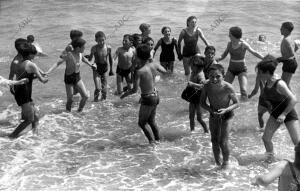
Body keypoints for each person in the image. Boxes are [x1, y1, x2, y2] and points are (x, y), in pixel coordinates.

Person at [255, 57, 300, 163]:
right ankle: (271, 160)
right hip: (276, 113)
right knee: (266, 138)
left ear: (267, 72)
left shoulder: (279, 84)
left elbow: (294, 99)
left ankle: (298, 164)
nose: (258, 75)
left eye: (260, 72)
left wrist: (284, 114)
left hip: (288, 113)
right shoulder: (266, 81)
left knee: (297, 143)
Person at [120, 44, 166, 144]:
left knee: (142, 123)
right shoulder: (154, 64)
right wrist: (155, 78)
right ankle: (158, 141)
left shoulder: (139, 71)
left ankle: (152, 143)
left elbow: (135, 90)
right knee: (152, 121)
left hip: (148, 98)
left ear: (138, 57)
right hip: (156, 95)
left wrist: (124, 95)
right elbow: (165, 71)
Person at [200, 64, 239, 169]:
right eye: (211, 76)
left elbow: (236, 103)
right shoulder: (206, 86)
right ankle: (217, 163)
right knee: (214, 140)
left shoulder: (228, 87)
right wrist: (210, 110)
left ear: (223, 75)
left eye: (218, 76)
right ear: (208, 75)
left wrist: (226, 110)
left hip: (227, 115)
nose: (214, 79)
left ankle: (226, 163)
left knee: (223, 141)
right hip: (214, 115)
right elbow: (202, 103)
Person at [9, 42, 48, 138]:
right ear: (30, 54)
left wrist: (36, 76)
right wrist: (45, 78)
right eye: (34, 54)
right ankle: (12, 136)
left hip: (20, 91)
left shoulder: (21, 63)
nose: (35, 56)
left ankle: (36, 136)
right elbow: (42, 81)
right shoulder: (31, 65)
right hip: (24, 94)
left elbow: (26, 78)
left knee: (35, 116)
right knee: (29, 119)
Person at [47, 38, 95, 112]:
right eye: (83, 47)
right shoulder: (69, 54)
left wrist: (90, 65)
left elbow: (83, 59)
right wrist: (48, 72)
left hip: (77, 77)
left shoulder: (80, 54)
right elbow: (58, 63)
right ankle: (67, 114)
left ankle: (79, 111)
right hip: (69, 78)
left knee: (85, 96)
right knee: (70, 99)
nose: (85, 48)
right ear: (78, 48)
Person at [216, 26, 264, 100]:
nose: (228, 36)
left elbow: (254, 52)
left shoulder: (243, 44)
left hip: (242, 70)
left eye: (230, 34)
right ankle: (223, 103)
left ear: (234, 35)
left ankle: (244, 108)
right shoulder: (229, 44)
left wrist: (264, 58)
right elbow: (224, 54)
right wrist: (217, 59)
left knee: (243, 91)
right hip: (231, 69)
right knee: (223, 88)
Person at [178, 16, 209, 81]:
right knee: (187, 73)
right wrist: (179, 54)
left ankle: (200, 81)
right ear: (188, 23)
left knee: (199, 69)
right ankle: (188, 83)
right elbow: (179, 43)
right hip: (186, 53)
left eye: (195, 22)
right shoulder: (183, 32)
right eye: (192, 22)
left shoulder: (198, 30)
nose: (194, 23)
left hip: (196, 51)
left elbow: (204, 39)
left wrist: (209, 47)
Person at [87, 31, 113, 101]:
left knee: (104, 90)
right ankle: (95, 101)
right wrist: (88, 57)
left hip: (104, 69)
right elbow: (90, 59)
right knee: (98, 88)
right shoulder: (94, 48)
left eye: (102, 40)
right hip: (96, 69)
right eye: (99, 41)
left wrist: (111, 69)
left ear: (105, 38)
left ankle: (103, 102)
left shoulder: (108, 48)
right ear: (96, 40)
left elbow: (110, 59)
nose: (101, 42)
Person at [186, 55, 208, 133]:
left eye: (192, 66)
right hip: (193, 98)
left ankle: (206, 131)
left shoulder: (200, 74)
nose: (191, 67)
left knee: (199, 118)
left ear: (198, 66)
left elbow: (203, 86)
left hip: (199, 99)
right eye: (191, 65)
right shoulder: (193, 72)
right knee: (191, 116)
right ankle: (192, 131)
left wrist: (192, 84)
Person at [276, 22, 299, 87]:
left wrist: (281, 58)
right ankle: (289, 97)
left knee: (284, 85)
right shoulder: (290, 38)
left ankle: (290, 97)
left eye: (282, 28)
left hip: (290, 63)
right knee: (285, 83)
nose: (280, 29)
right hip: (290, 62)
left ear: (286, 30)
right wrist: (285, 58)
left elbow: (291, 54)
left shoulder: (286, 40)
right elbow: (297, 47)